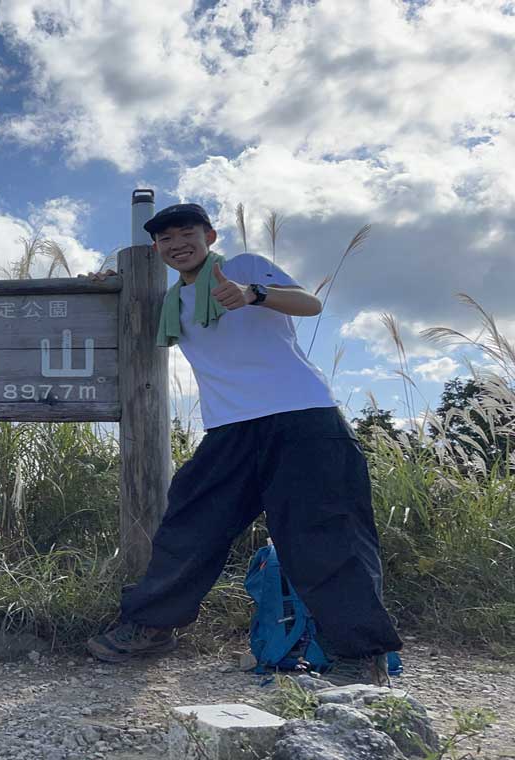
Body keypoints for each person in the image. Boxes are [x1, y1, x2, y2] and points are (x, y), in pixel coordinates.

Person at [85, 203, 402, 685]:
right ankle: (151, 628)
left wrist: (254, 294)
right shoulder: (172, 301)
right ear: (157, 249)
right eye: (165, 239)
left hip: (302, 418)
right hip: (230, 428)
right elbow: (128, 311)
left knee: (325, 534)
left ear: (209, 235)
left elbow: (310, 304)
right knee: (189, 525)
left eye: (186, 233)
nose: (176, 244)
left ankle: (360, 656)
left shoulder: (245, 268)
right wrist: (108, 281)